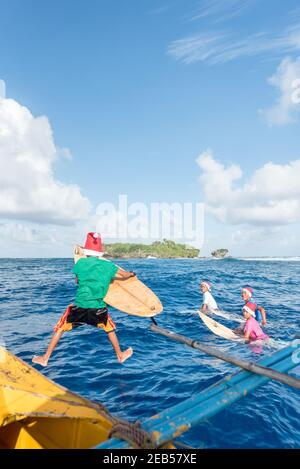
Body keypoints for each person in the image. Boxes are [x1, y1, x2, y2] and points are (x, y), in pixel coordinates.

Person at [32, 232, 135, 367]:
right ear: (100, 252)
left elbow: (77, 280)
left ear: (87, 251)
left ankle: (45, 358)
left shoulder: (80, 263)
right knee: (110, 329)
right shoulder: (109, 266)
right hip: (98, 309)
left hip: (79, 307)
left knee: (59, 329)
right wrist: (132, 273)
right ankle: (120, 355)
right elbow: (125, 275)